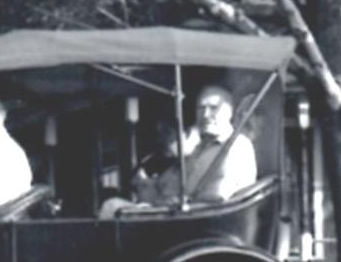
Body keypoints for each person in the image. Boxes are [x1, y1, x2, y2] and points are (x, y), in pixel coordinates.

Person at [100, 85, 256, 217]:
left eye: (214, 108)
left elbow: (216, 197)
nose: (205, 115)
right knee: (113, 205)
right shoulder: (200, 148)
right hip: (185, 216)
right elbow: (173, 188)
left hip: (205, 220)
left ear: (230, 112)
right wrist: (149, 186)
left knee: (112, 207)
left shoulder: (237, 146)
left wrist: (172, 202)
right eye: (201, 108)